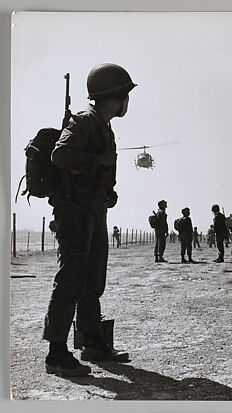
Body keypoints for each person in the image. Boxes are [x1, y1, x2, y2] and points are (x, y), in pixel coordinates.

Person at [42, 63, 135, 377]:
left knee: (93, 278)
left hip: (93, 210)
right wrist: (97, 162)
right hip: (74, 212)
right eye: (124, 95)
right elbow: (60, 155)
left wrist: (108, 192)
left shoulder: (103, 125)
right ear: (114, 96)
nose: (127, 102)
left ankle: (92, 341)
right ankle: (56, 352)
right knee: (72, 277)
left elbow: (97, 171)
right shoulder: (84, 121)